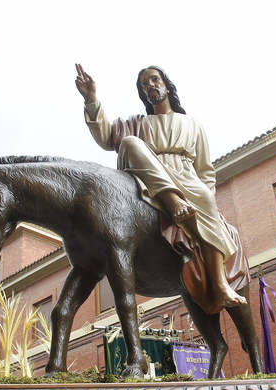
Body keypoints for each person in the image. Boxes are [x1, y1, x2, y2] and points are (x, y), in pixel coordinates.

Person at [75, 63, 246, 309]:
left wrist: (206, 194)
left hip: (188, 178)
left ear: (166, 84)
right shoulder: (137, 124)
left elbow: (205, 170)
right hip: (147, 178)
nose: (150, 86)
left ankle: (220, 284)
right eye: (144, 84)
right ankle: (173, 201)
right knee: (131, 143)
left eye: (154, 80)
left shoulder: (192, 124)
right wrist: (91, 99)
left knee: (206, 198)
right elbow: (105, 136)